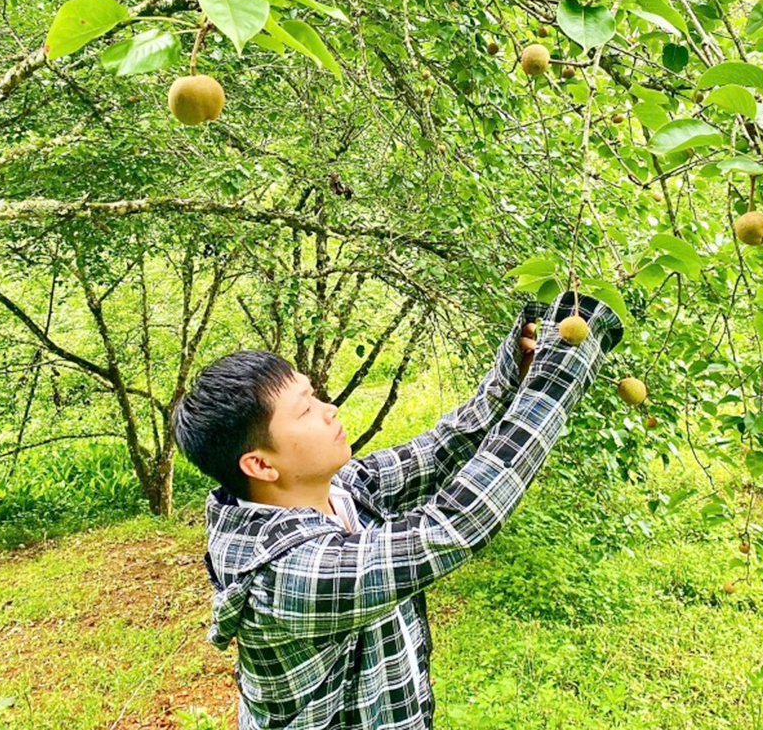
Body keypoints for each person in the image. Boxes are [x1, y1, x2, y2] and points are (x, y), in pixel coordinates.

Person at [171, 291, 624, 728]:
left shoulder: (340, 490)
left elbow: (444, 447)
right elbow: (452, 525)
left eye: (316, 396)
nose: (329, 411)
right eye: (305, 410)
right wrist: (557, 379)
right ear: (260, 465)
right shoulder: (287, 574)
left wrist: (515, 372)